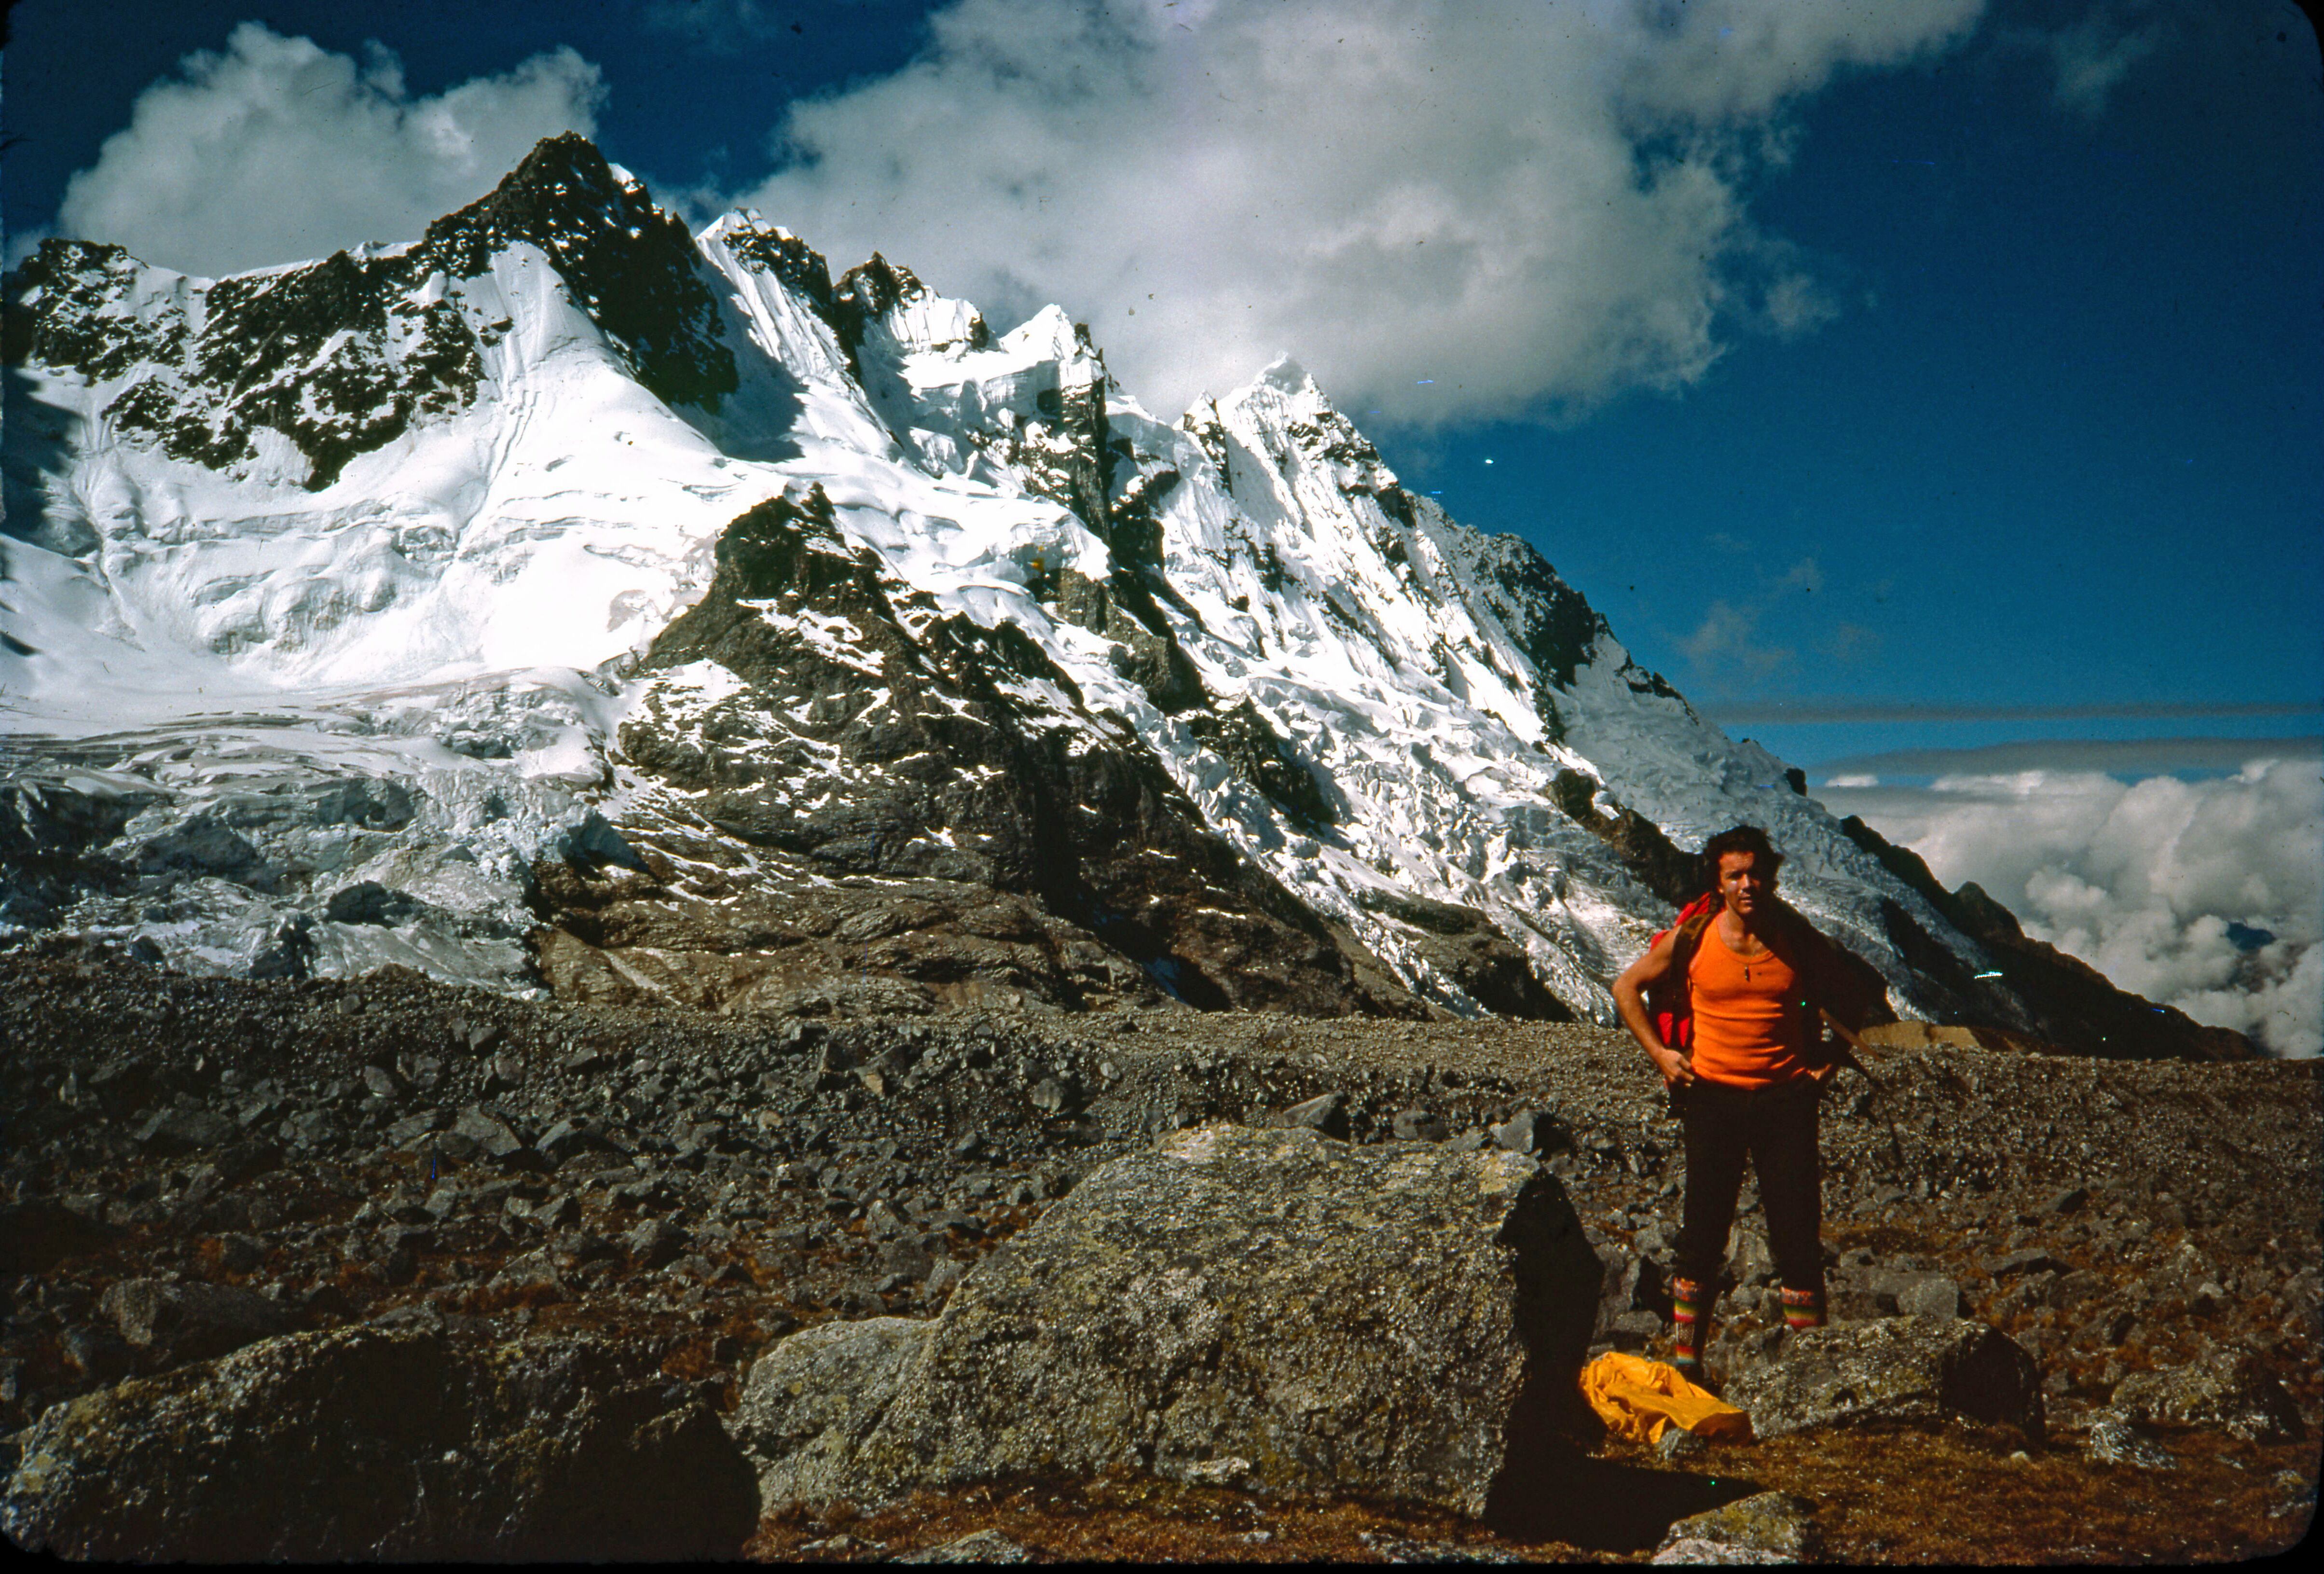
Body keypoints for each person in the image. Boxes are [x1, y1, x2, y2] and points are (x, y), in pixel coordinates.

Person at [1611, 825, 1879, 1382]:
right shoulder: (1692, 938)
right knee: (1701, 1236)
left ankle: (1806, 1374)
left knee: (1796, 1238)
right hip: (1712, 1099)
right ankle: (1688, 1367)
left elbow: (1853, 992)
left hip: (1786, 1101)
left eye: (1755, 872)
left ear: (1771, 876)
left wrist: (1828, 1059)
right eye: (1734, 874)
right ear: (1719, 880)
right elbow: (1625, 987)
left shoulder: (1795, 939)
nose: (1747, 883)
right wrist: (1661, 1056)